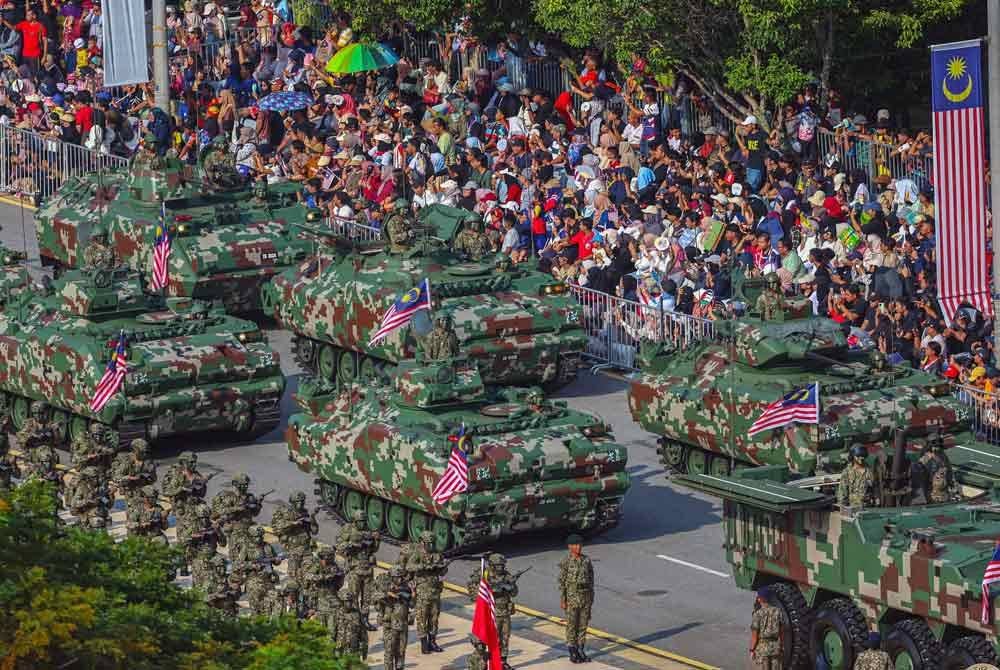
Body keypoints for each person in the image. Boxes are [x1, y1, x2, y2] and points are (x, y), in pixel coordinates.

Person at [468, 553, 519, 669]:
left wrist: (511, 586)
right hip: (490, 613)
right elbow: (474, 588)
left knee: (504, 638)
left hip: (504, 612)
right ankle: (482, 660)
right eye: (498, 565)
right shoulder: (485, 574)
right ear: (492, 565)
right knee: (487, 639)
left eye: (502, 565)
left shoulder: (506, 576)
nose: (501, 568)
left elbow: (514, 593)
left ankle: (502, 662)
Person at [405, 530, 447, 654]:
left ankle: (432, 641)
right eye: (428, 543)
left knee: (434, 618)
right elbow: (409, 567)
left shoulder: (437, 555)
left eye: (432, 543)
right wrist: (422, 567)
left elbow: (443, 572)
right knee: (422, 618)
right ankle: (424, 643)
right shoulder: (417, 554)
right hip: (422, 592)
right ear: (422, 543)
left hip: (435, 591)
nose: (431, 546)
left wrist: (441, 567)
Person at [338, 509, 379, 630]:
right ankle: (355, 620)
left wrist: (376, 540)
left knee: (367, 597)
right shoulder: (348, 530)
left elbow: (374, 549)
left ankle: (365, 620)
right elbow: (339, 547)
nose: (362, 523)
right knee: (353, 596)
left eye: (364, 521)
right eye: (360, 521)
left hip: (367, 568)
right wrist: (352, 544)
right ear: (355, 521)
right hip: (355, 568)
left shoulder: (368, 531)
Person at [558, 533, 594, 663]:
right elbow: (561, 582)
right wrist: (563, 599)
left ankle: (580, 649)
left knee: (583, 625)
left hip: (585, 597)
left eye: (580, 545)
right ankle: (572, 651)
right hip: (572, 598)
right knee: (572, 625)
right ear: (570, 547)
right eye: (576, 545)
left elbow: (591, 579)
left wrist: (591, 598)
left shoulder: (586, 560)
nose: (579, 547)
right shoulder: (566, 562)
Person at [270, 490, 317, 583]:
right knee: (294, 577)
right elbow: (276, 528)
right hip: (293, 549)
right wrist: (292, 523)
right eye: (298, 502)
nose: (300, 504)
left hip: (306, 549)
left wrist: (313, 520)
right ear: (292, 502)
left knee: (310, 575)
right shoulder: (285, 513)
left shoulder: (305, 513)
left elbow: (314, 531)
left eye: (302, 501)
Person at [176, 501, 222, 591]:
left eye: (206, 518)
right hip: (198, 558)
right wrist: (192, 538)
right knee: (200, 587)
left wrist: (218, 532)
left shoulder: (213, 526)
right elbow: (182, 541)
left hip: (213, 556)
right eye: (202, 518)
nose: (204, 520)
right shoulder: (193, 526)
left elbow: (223, 543)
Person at [378, 566, 412, 670]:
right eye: (397, 577)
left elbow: (413, 604)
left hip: (402, 624)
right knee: (389, 652)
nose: (400, 579)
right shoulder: (386, 586)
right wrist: (388, 594)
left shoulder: (406, 588)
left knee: (401, 652)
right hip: (390, 626)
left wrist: (413, 593)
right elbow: (375, 597)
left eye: (401, 577)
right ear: (392, 577)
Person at [110, 438, 157, 510]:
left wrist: (147, 477)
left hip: (145, 492)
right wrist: (129, 478)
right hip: (130, 491)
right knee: (134, 513)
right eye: (142, 452)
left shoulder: (148, 461)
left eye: (145, 452)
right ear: (135, 450)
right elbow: (116, 476)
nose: (144, 454)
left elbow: (154, 478)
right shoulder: (126, 460)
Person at [749, 589, 782, 669]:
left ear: (760, 599)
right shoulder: (778, 612)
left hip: (762, 649)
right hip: (775, 648)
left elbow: (754, 635)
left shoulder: (758, 614)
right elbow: (781, 632)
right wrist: (781, 646)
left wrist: (752, 650)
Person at [917, 439, 957, 504]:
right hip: (933, 490)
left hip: (944, 488)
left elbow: (949, 468)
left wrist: (951, 482)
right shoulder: (927, 457)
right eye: (935, 446)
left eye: (938, 446)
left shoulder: (942, 455)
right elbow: (919, 468)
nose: (937, 448)